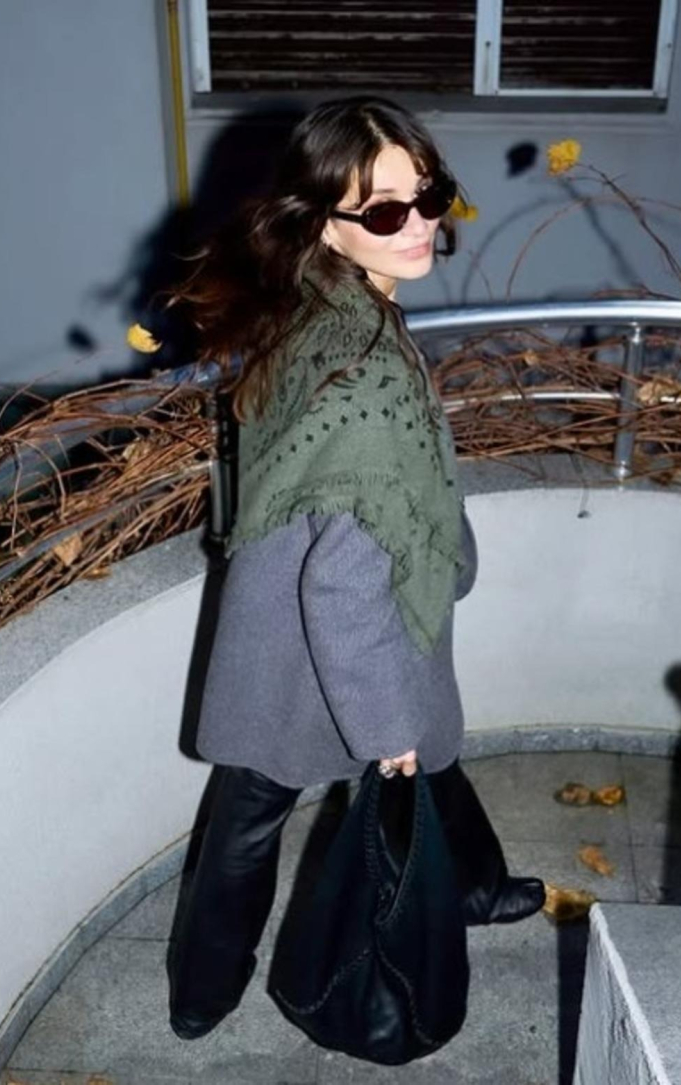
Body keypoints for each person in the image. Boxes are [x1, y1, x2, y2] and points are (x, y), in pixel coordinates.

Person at [167, 97, 545, 1042]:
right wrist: (383, 730)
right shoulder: (362, 363)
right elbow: (339, 586)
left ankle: (476, 884)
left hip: (317, 591)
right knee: (269, 804)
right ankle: (202, 988)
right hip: (322, 631)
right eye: (384, 210)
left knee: (421, 752)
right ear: (322, 221)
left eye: (430, 195)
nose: (419, 225)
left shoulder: (318, 301)